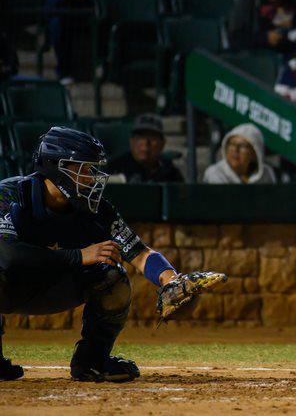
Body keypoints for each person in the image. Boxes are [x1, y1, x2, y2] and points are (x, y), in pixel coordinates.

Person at [0, 127, 226, 382]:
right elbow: (8, 256)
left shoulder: (94, 208)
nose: (91, 178)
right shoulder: (10, 194)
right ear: (56, 167)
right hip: (11, 286)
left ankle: (92, 361)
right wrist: (79, 256)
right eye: (84, 169)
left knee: (112, 277)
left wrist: (170, 279)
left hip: (48, 287)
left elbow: (139, 252)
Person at [108, 114, 184, 183]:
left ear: (162, 144)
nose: (145, 143)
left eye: (152, 137)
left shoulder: (170, 172)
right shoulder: (115, 168)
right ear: (131, 142)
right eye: (140, 138)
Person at [203, 123, 276, 184]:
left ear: (255, 152)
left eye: (242, 146)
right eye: (232, 144)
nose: (235, 149)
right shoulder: (215, 173)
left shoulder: (266, 173)